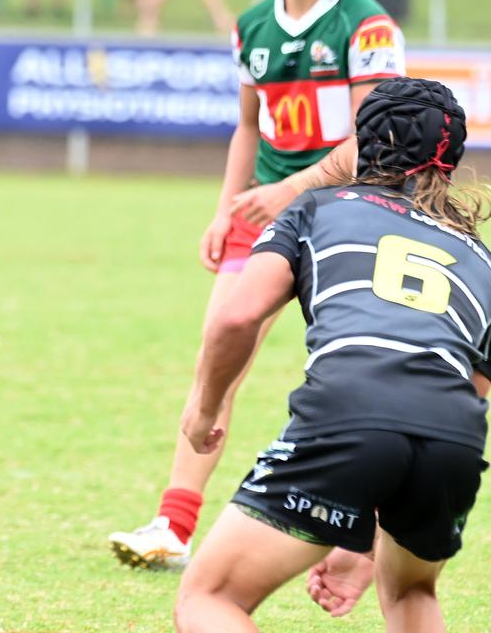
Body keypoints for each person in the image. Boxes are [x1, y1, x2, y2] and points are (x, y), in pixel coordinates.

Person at [108, 0, 406, 571]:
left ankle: (379, 522)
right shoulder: (252, 26)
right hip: (267, 217)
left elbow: (372, 141)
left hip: (348, 216)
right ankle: (173, 526)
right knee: (219, 352)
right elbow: (250, 126)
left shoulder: (367, 24)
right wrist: (225, 211)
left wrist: (288, 189)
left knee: (358, 373)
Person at [175, 76, 491, 632]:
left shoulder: (316, 209)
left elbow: (236, 316)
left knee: (210, 599)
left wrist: (204, 409)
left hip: (350, 410)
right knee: (413, 591)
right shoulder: (481, 260)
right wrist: (368, 540)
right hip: (455, 437)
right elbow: (474, 390)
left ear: (363, 144)